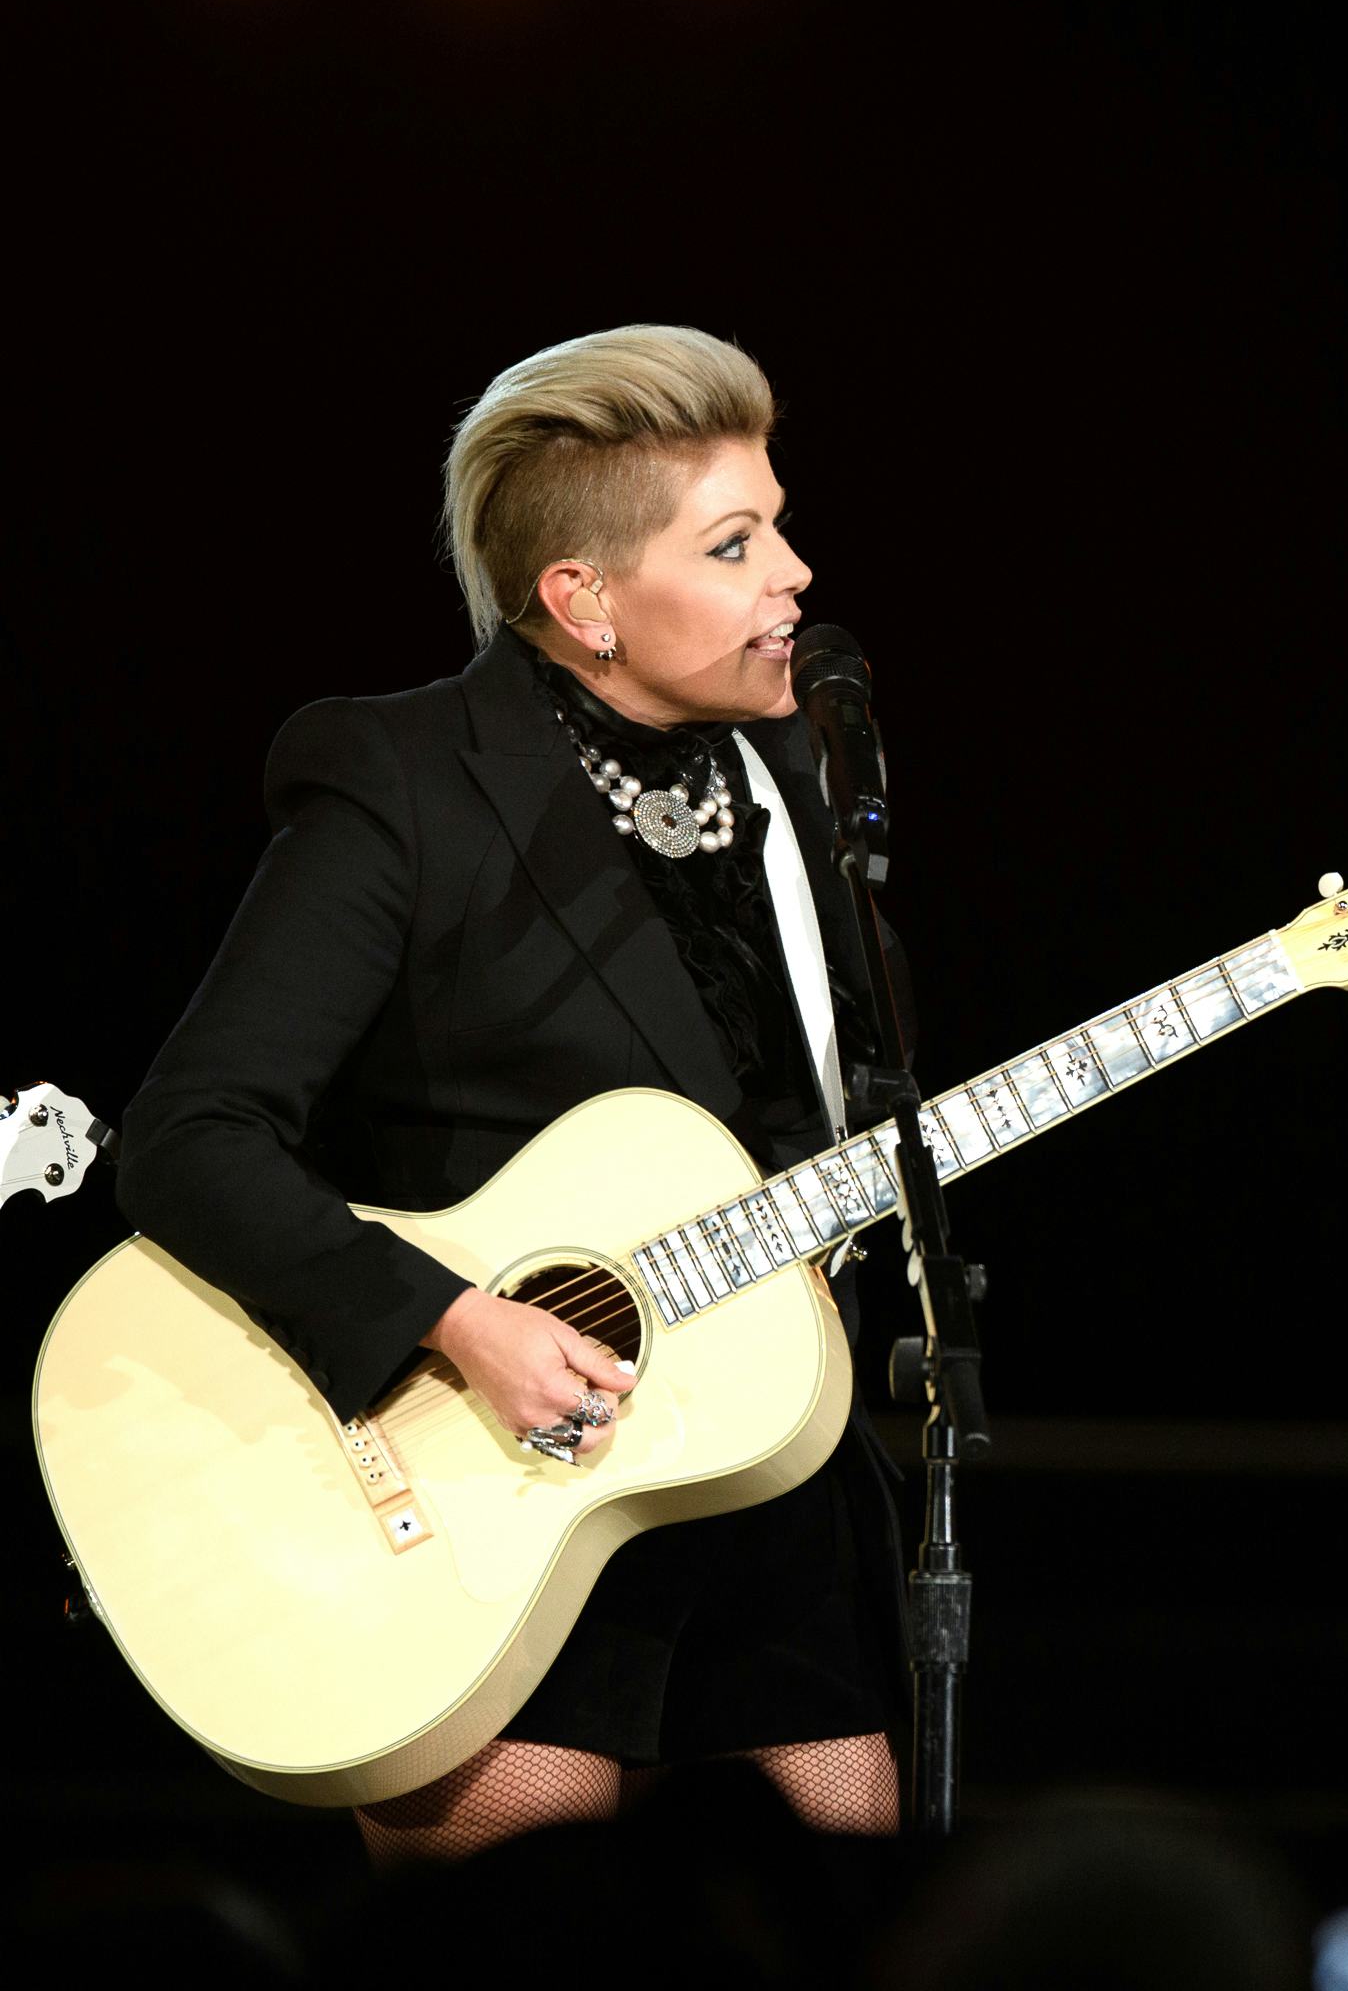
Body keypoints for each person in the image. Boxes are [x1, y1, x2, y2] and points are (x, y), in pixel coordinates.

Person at [115, 324, 905, 1861]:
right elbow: (190, 1139)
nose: (794, 575)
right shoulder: (403, 778)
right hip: (482, 1480)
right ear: (582, 600)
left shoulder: (795, 777)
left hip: (753, 1462)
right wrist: (459, 1320)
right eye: (737, 543)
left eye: (782, 526)